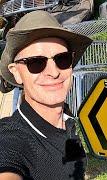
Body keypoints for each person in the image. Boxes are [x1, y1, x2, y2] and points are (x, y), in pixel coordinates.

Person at [0, 10, 92, 179]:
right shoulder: (11, 140)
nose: (54, 72)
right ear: (16, 73)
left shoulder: (67, 119)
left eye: (62, 59)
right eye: (36, 62)